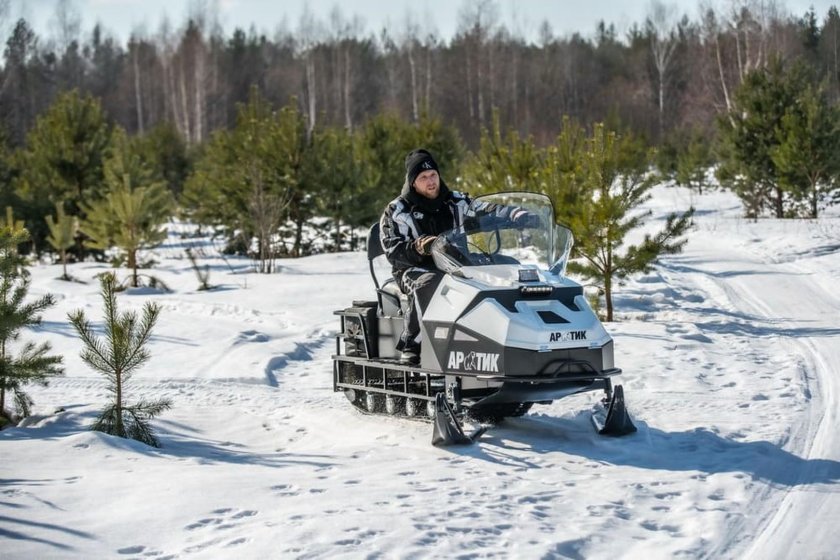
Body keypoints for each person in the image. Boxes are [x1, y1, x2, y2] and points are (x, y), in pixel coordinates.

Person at [379, 148, 538, 365]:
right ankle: (413, 343)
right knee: (431, 283)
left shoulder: (455, 201)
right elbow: (393, 250)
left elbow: (484, 210)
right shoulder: (397, 211)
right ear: (413, 182)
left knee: (510, 268)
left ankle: (518, 335)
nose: (430, 181)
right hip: (414, 268)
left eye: (433, 175)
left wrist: (514, 215)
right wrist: (418, 247)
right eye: (423, 177)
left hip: (457, 263)